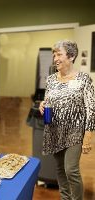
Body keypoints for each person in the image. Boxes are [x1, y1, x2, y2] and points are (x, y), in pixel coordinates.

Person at [39, 39, 94, 200]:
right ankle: (65, 198)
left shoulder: (84, 79)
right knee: (60, 169)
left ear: (71, 56)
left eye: (59, 54)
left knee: (71, 170)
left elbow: (91, 108)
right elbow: (48, 100)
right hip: (54, 131)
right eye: (54, 55)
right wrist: (43, 104)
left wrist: (88, 135)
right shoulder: (51, 80)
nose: (55, 58)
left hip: (75, 131)